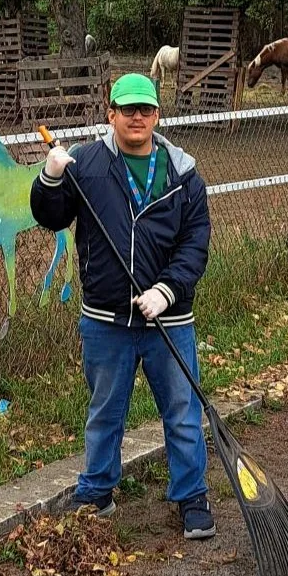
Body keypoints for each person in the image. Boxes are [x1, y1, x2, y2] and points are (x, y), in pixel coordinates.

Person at [30, 72, 215, 540]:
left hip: (169, 320)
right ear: (110, 113)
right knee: (105, 410)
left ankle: (191, 496)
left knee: (181, 411)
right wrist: (50, 178)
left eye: (146, 109)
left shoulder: (183, 173)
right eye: (128, 109)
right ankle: (97, 492)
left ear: (157, 115)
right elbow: (50, 217)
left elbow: (195, 246)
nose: (137, 117)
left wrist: (166, 291)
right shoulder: (85, 165)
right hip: (106, 320)